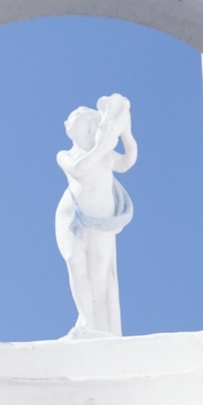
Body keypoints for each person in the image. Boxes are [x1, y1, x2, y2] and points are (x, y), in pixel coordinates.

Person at [55, 94, 137, 337]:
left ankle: (97, 324)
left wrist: (126, 133)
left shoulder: (106, 155)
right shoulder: (66, 155)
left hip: (102, 223)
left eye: (94, 124)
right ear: (74, 129)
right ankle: (86, 319)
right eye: (88, 124)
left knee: (99, 271)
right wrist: (103, 144)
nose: (92, 129)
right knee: (75, 263)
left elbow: (126, 162)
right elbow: (79, 170)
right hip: (71, 218)